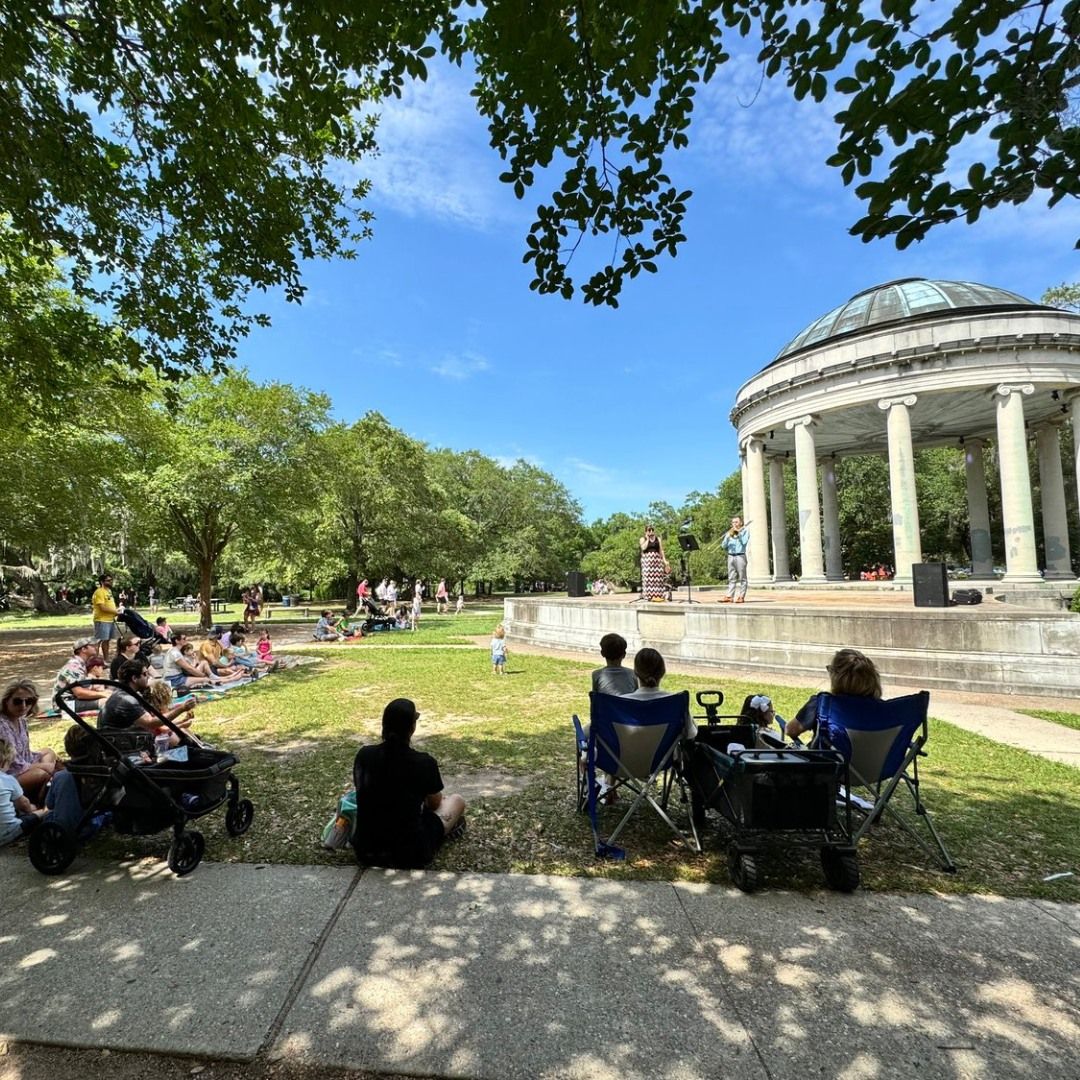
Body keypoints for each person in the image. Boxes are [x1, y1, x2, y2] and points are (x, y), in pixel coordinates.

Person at [351, 698, 466, 868]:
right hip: (410, 852)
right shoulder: (424, 762)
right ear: (412, 728)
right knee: (456, 801)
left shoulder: (364, 755)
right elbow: (435, 804)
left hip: (366, 849)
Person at [784, 648, 882, 759]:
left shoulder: (822, 704)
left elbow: (790, 730)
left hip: (830, 772)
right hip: (876, 775)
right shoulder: (885, 710)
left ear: (837, 677)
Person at [0, 680, 61, 807]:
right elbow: (14, 763)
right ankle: (40, 803)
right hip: (7, 774)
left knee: (48, 752)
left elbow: (26, 753)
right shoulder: (2, 725)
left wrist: (43, 763)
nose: (23, 706)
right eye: (17, 701)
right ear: (6, 701)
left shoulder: (21, 720)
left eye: (28, 701)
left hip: (22, 765)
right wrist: (46, 767)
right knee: (44, 773)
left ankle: (43, 787)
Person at [99, 659, 195, 739]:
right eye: (145, 674)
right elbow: (151, 723)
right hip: (121, 745)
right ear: (134, 678)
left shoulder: (122, 693)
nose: (148, 677)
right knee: (176, 739)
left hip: (118, 739)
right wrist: (182, 708)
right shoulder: (127, 700)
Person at [621, 648, 696, 740]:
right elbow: (690, 734)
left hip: (626, 753)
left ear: (636, 672)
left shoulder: (618, 704)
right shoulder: (675, 703)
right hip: (665, 754)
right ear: (662, 672)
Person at [0, 738, 47, 847]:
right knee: (43, 811)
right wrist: (34, 808)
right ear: (3, 763)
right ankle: (46, 813)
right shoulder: (8, 780)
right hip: (8, 832)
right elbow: (25, 805)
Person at [54, 638, 113, 709]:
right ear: (83, 649)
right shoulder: (73, 666)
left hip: (74, 700)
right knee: (106, 701)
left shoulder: (81, 664)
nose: (96, 647)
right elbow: (79, 693)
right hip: (66, 703)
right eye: (92, 645)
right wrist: (102, 694)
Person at [720, 515, 750, 603]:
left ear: (741, 523)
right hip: (731, 556)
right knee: (731, 577)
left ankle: (741, 596)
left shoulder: (745, 531)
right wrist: (728, 537)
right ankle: (729, 596)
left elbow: (744, 542)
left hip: (740, 555)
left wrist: (739, 534)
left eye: (736, 522)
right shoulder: (729, 533)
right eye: (733, 522)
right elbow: (723, 546)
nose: (735, 524)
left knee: (742, 578)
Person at [91, 572, 120, 661]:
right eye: (108, 580)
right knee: (98, 641)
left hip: (110, 619)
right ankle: (94, 660)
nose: (110, 582)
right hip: (101, 620)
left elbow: (109, 604)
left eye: (111, 580)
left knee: (106, 640)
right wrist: (116, 611)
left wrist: (116, 611)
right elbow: (102, 607)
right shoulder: (99, 592)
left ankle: (106, 659)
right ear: (102, 582)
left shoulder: (108, 591)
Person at [638, 524, 670, 601]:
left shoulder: (658, 539)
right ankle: (648, 596)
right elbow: (643, 547)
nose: (651, 531)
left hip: (657, 561)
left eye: (652, 530)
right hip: (647, 561)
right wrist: (648, 539)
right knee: (648, 579)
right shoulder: (643, 539)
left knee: (658, 579)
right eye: (649, 530)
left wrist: (664, 560)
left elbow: (661, 550)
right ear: (646, 531)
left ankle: (659, 595)